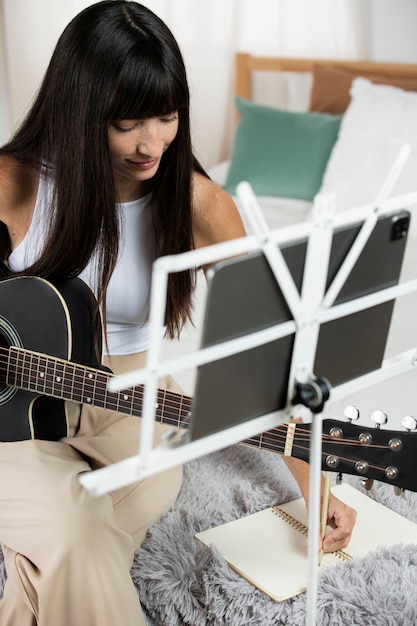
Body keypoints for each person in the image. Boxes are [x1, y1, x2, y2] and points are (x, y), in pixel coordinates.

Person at [0, 2, 356, 624]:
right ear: (81, 112)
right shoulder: (14, 184)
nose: (153, 143)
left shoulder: (199, 205)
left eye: (168, 117)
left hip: (134, 410)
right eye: (129, 123)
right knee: (75, 528)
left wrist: (316, 479)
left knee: (79, 539)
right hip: (15, 413)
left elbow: (270, 349)